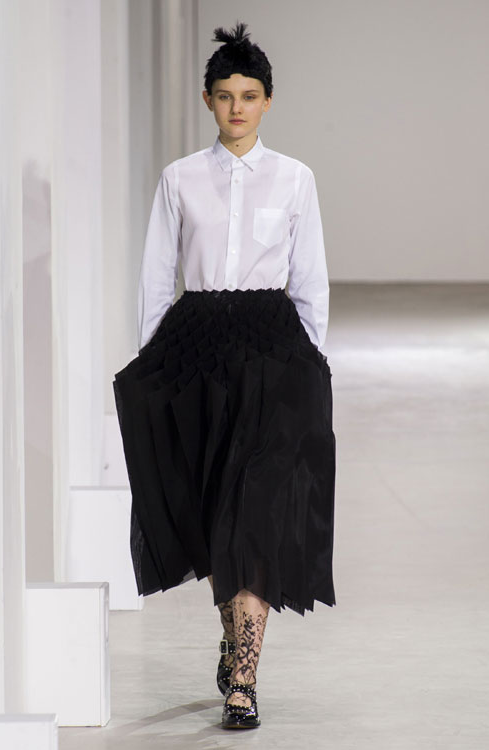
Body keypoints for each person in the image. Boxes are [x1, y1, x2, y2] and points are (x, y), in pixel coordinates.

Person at [113, 20, 336, 731]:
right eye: (225, 95)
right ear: (207, 100)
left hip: (273, 352)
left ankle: (243, 679)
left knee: (258, 510)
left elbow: (310, 281)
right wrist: (155, 368)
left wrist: (313, 365)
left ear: (268, 101)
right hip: (198, 349)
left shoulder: (295, 179)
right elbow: (157, 277)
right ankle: (232, 631)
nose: (237, 107)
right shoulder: (179, 178)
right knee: (215, 510)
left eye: (249, 95)